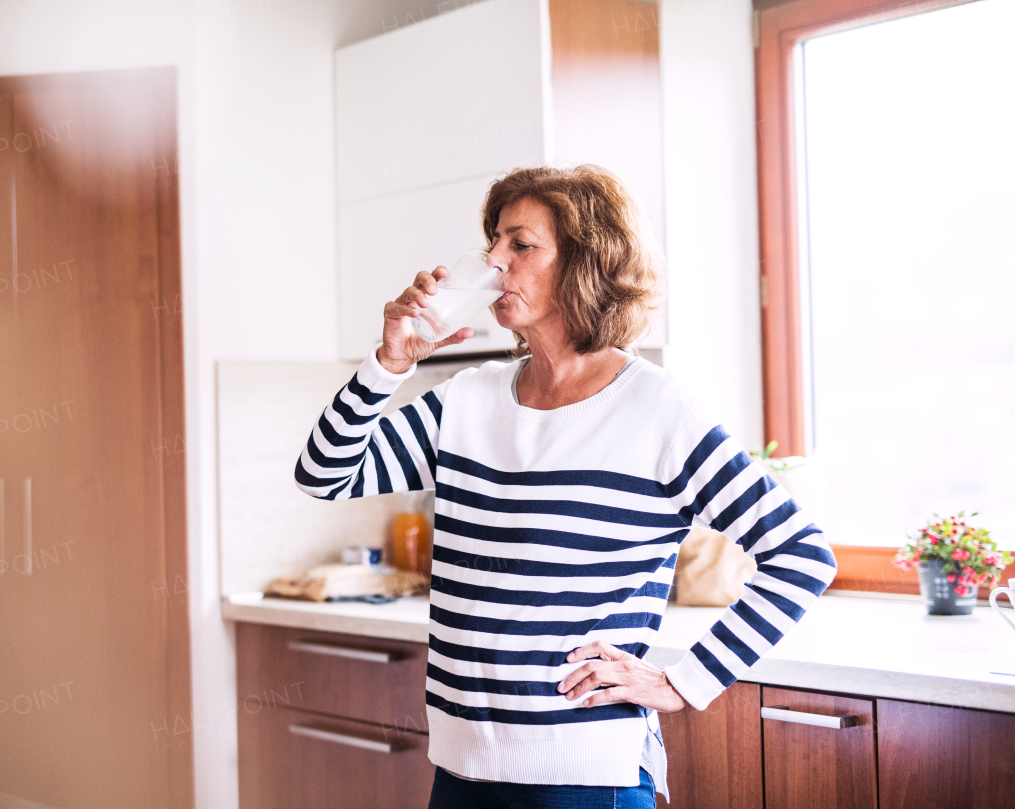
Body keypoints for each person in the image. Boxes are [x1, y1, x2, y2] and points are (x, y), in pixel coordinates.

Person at [294, 164, 836, 809]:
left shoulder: (656, 410)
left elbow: (802, 556)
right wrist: (388, 366)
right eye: (493, 242)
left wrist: (682, 681)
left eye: (521, 244)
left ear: (585, 262)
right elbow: (325, 475)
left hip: (582, 777)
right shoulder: (467, 399)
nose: (494, 262)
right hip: (460, 767)